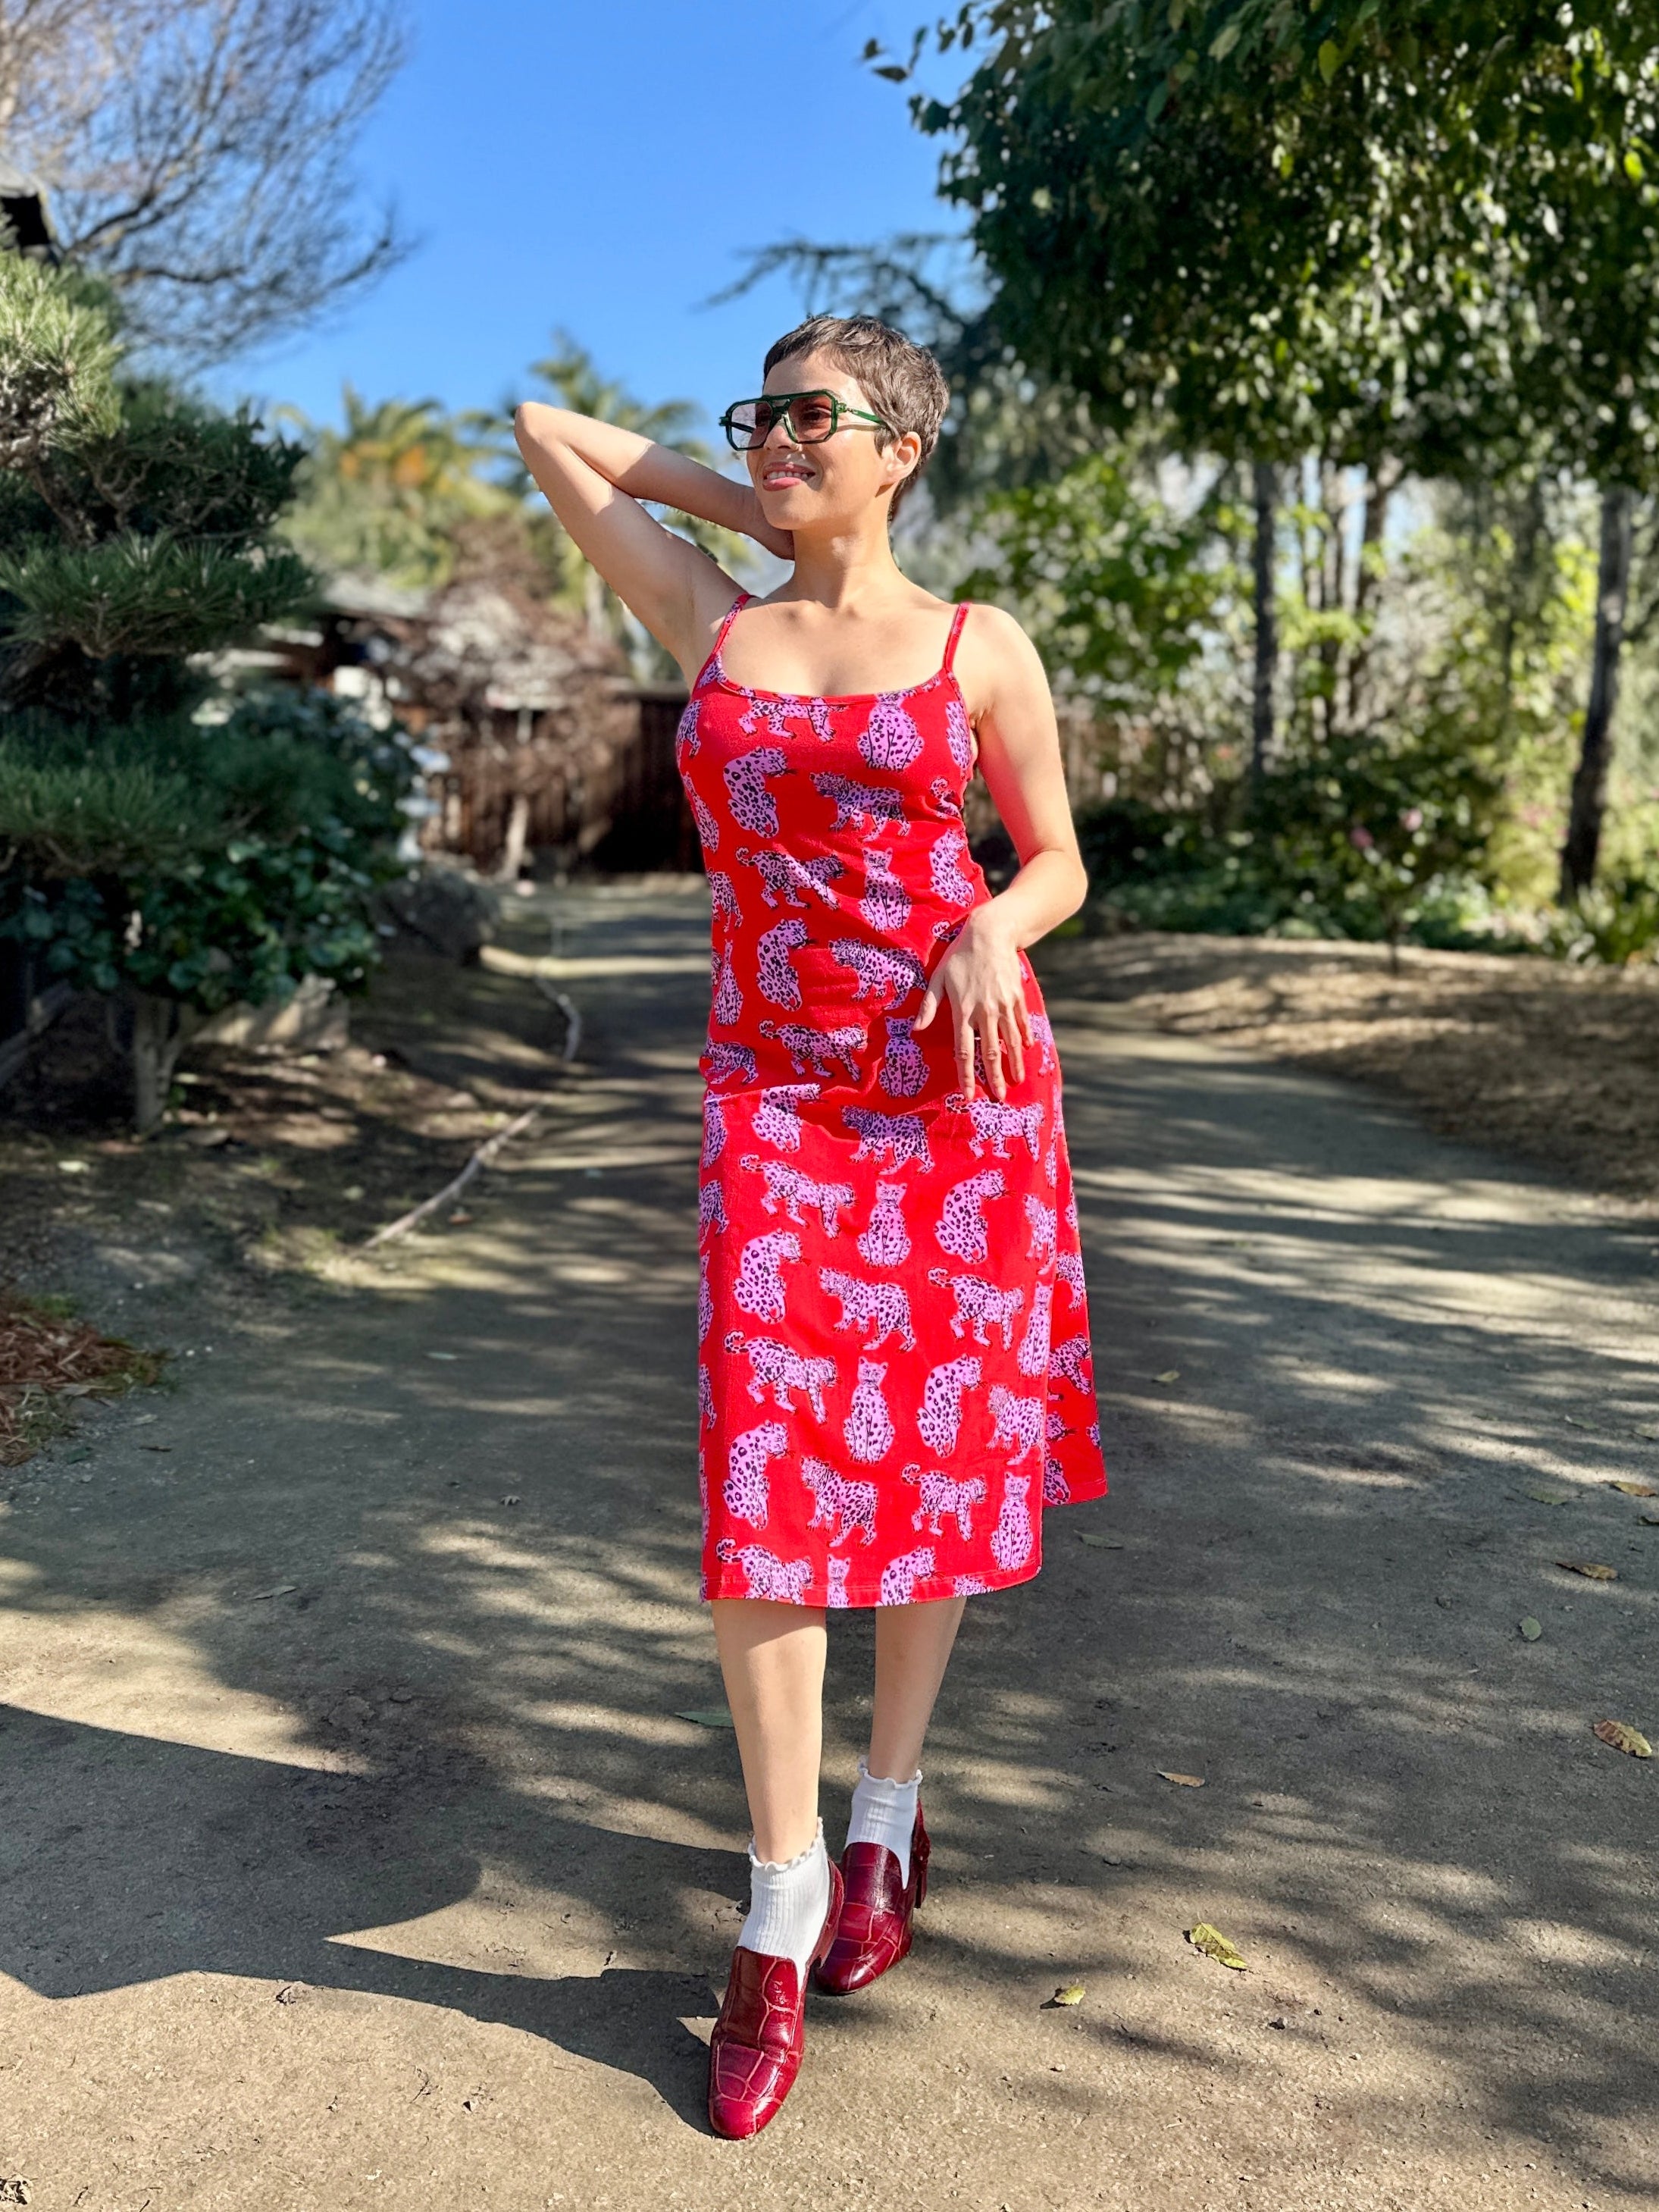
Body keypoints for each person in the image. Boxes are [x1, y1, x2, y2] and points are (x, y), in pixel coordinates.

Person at [515, 314, 1108, 2139]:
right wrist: (770, 507)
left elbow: (1058, 859)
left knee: (925, 1468)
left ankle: (884, 1821)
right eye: (758, 412)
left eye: (809, 417)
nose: (772, 434)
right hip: (772, 1105)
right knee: (766, 1483)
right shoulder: (714, 621)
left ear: (904, 446)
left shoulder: (979, 645)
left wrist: (992, 926)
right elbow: (546, 429)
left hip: (953, 1100)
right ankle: (775, 1912)